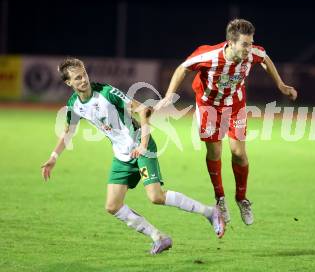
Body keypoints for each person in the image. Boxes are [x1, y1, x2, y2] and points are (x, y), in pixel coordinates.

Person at [40, 58, 225, 255]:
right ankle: (159, 238)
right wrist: (53, 157)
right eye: (78, 78)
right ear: (69, 83)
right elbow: (68, 132)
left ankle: (210, 212)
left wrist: (143, 144)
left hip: (140, 144)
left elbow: (143, 110)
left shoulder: (106, 93)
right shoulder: (74, 104)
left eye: (84, 74)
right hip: (122, 154)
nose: (84, 80)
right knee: (112, 206)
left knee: (156, 196)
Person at [155, 19, 297, 225]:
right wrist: (169, 95)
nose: (250, 49)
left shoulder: (253, 53)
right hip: (208, 105)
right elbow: (182, 68)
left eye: (251, 43)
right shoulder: (208, 55)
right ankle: (220, 198)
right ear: (231, 43)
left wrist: (281, 85)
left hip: (235, 105)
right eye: (245, 45)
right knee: (215, 152)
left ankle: (241, 198)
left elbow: (265, 59)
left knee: (239, 153)